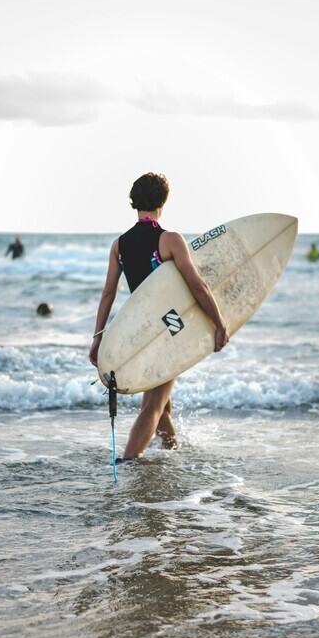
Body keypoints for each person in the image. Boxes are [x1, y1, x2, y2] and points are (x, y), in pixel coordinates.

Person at [89, 173, 229, 460]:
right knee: (153, 404)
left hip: (140, 330)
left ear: (134, 202)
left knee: (162, 401)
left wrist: (97, 338)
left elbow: (108, 294)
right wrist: (220, 323)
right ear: (163, 202)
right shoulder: (169, 240)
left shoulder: (120, 245)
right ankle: (128, 461)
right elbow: (197, 286)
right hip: (168, 329)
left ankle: (172, 452)